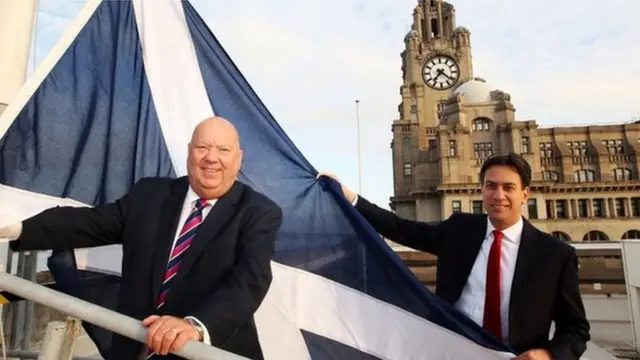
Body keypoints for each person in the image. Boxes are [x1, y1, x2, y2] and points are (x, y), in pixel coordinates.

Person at [0, 116, 283, 360]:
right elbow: (88, 223)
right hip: (135, 350)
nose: (211, 158)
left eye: (223, 149)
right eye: (202, 147)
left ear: (238, 158)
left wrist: (195, 326)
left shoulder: (259, 212)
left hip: (207, 352)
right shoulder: (149, 195)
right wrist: (12, 225)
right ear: (189, 152)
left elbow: (249, 280)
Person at [319, 153, 590, 360]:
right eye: (491, 186)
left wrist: (550, 355)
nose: (499, 196)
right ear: (481, 190)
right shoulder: (460, 230)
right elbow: (402, 229)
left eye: (508, 187)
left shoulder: (555, 254)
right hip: (452, 351)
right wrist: (350, 198)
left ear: (525, 194)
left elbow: (575, 329)